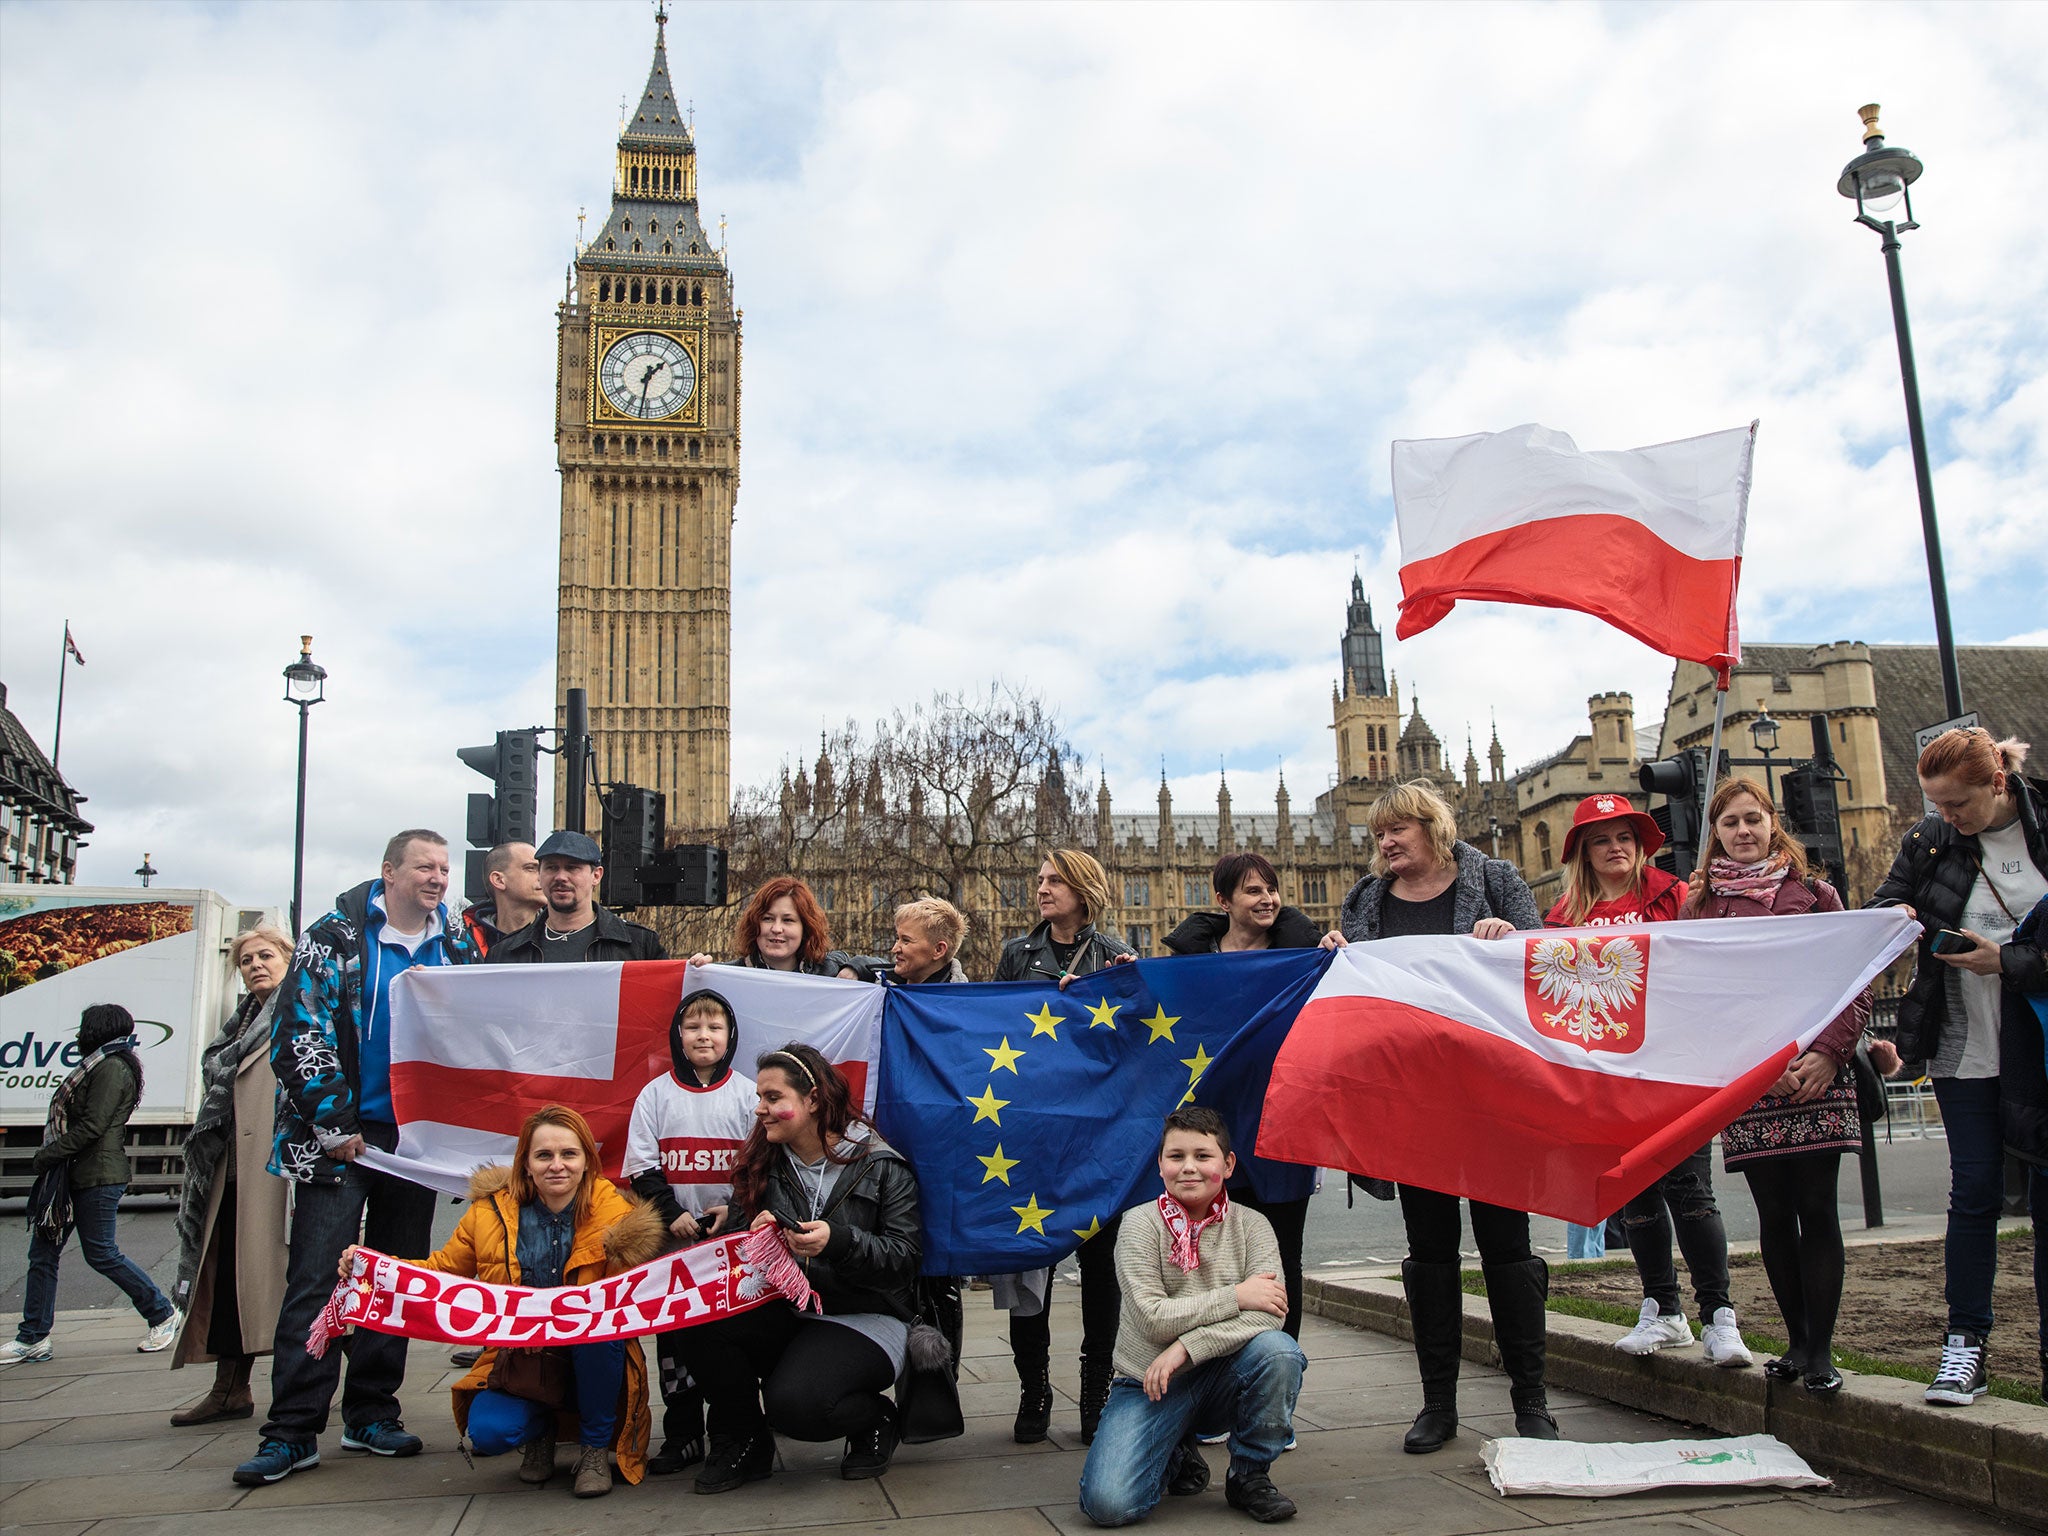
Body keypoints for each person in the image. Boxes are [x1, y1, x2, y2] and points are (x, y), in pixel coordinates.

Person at [233, 829, 479, 1487]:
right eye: (425, 866)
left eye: (444, 868)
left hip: (412, 1142)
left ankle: (371, 1413)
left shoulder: (455, 940)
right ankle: (291, 1431)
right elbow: (299, 1033)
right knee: (318, 1278)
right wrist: (334, 1122)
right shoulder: (334, 935)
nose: (437, 877)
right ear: (389, 872)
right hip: (341, 1141)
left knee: (395, 1278)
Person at [1320, 780, 1554, 1451]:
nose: (1386, 844)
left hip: (1491, 1096)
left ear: (1433, 827)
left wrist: (1510, 939)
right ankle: (1437, 1406)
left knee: (1508, 1250)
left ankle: (1530, 1403)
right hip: (1414, 1102)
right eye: (1379, 835)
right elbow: (1359, 998)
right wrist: (1338, 955)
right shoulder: (1367, 900)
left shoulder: (1493, 879)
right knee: (1430, 1254)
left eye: (1398, 831)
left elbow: (1543, 967)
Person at [338, 1105, 662, 1497]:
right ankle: (540, 1433)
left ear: (587, 1162)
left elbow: (643, 1296)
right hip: (521, 1357)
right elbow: (441, 1271)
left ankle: (593, 1450)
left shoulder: (619, 1215)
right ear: (525, 1163)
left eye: (568, 1154)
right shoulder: (488, 1213)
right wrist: (377, 1267)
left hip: (594, 1360)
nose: (556, 1165)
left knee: (600, 1334)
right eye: (543, 1155)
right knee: (490, 1433)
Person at [1688, 777, 1889, 1396]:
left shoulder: (1817, 895)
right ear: (1714, 834)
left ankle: (1822, 1350)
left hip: (1818, 1077)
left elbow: (1857, 979)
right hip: (1755, 1081)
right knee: (1774, 1216)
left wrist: (1828, 1055)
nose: (1744, 832)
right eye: (1730, 823)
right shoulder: (1700, 908)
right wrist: (1760, 1066)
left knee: (1817, 1209)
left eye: (1754, 819)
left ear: (1774, 823)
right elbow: (1702, 999)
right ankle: (1796, 1341)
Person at [1870, 727, 2048, 1405]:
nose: (1949, 817)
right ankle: (1964, 1345)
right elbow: (1884, 903)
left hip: (2040, 1039)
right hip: (1964, 1039)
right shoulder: (1931, 841)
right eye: (1938, 805)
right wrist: (1899, 915)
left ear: (1997, 783)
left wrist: (2008, 961)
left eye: (1959, 804)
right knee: (1973, 1192)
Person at [1543, 795, 1751, 1369]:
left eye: (1626, 838)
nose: (1616, 848)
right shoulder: (1564, 917)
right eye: (1602, 839)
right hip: (1609, 1077)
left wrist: (1707, 909)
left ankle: (1719, 1316)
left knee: (1691, 1194)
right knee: (1634, 1198)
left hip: (1673, 1066)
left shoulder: (1679, 897)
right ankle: (1663, 1309)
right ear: (1584, 851)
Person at [677, 1042, 926, 1492]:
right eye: (759, 1098)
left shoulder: (883, 1164)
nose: (760, 1109)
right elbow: (739, 1249)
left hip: (864, 1316)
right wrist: (749, 1230)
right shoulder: (763, 1162)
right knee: (697, 1317)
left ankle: (876, 1418)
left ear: (812, 1100)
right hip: (789, 1310)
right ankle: (745, 1444)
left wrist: (840, 1242)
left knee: (796, 1409)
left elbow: (904, 1262)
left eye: (773, 1098)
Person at [1077, 1106, 1304, 1527]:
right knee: (1108, 1506)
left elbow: (1270, 1315)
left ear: (1228, 1164)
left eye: (1203, 1156)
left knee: (1278, 1352)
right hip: (1150, 1383)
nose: (1189, 1168)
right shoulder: (1139, 1225)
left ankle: (1249, 1476)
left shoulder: (1254, 1227)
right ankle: (1173, 1450)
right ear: (1160, 1165)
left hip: (1224, 1375)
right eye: (1176, 1156)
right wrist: (1238, 1294)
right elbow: (1152, 1318)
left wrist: (1187, 1347)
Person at [995, 849, 1136, 1443]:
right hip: (1031, 1134)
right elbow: (991, 1029)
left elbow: (1139, 1051)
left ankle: (1096, 1391)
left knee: (1101, 1272)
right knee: (1029, 1270)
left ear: (1084, 890)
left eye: (1054, 880)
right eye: (1041, 878)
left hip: (1094, 1139)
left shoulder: (1115, 957)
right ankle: (1035, 1390)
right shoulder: (1015, 955)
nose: (1042, 887)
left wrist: (1126, 996)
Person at [1162, 852, 1321, 1341]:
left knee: (1279, 1258)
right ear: (1222, 901)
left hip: (1280, 1124)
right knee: (1210, 1255)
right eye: (1253, 891)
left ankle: (1277, 1373)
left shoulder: (1305, 956)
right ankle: (1217, 1376)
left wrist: (1337, 950)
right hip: (1212, 1129)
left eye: (1272, 889)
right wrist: (1117, 980)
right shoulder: (1191, 963)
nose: (1268, 899)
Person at [620, 989, 755, 1475]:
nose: (704, 1035)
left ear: (730, 1036)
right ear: (679, 1035)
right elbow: (641, 1165)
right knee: (674, 1341)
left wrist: (732, 1209)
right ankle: (681, 1435)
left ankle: (726, 1430)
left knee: (723, 1339)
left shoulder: (747, 1094)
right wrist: (670, 1211)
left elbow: (758, 1166)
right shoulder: (656, 1094)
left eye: (714, 1027)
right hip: (672, 1243)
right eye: (694, 1026)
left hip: (728, 1246)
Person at [2, 1004, 178, 1366]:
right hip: (73, 1174)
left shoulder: (111, 1068)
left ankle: (162, 1313)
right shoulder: (99, 1065)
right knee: (43, 1253)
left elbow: (93, 1127)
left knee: (101, 1253)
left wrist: (46, 1156)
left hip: (97, 1175)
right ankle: (33, 1337)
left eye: (85, 1027)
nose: (79, 1033)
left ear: (98, 1028)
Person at [167, 928, 295, 1424]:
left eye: (266, 955)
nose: (256, 965)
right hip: (231, 1172)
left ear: (289, 959)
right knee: (226, 1280)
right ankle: (230, 1389)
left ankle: (365, 1395)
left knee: (306, 1284)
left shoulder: (302, 1010)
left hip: (282, 1169)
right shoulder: (239, 1025)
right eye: (245, 961)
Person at [487, 830, 665, 963]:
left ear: (596, 875)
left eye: (572, 868)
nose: (561, 877)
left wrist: (693, 973)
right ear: (540, 875)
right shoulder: (506, 953)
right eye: (551, 868)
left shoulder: (639, 945)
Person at [688, 875, 839, 972]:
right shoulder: (729, 976)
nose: (777, 929)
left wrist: (857, 967)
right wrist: (699, 972)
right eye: (768, 918)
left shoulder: (828, 973)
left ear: (805, 928)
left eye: (788, 920)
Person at [461, 841, 543, 956]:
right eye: (530, 868)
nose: (543, 876)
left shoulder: (561, 937)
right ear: (498, 880)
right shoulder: (460, 945)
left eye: (543, 869)